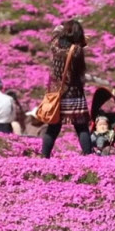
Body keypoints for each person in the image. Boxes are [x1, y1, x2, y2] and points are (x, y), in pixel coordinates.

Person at [41, 19, 92, 158]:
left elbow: (56, 32)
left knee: (53, 127)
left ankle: (44, 156)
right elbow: (80, 44)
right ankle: (89, 157)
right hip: (74, 94)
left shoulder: (55, 46)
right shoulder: (77, 51)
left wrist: (63, 25)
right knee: (81, 127)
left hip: (57, 94)